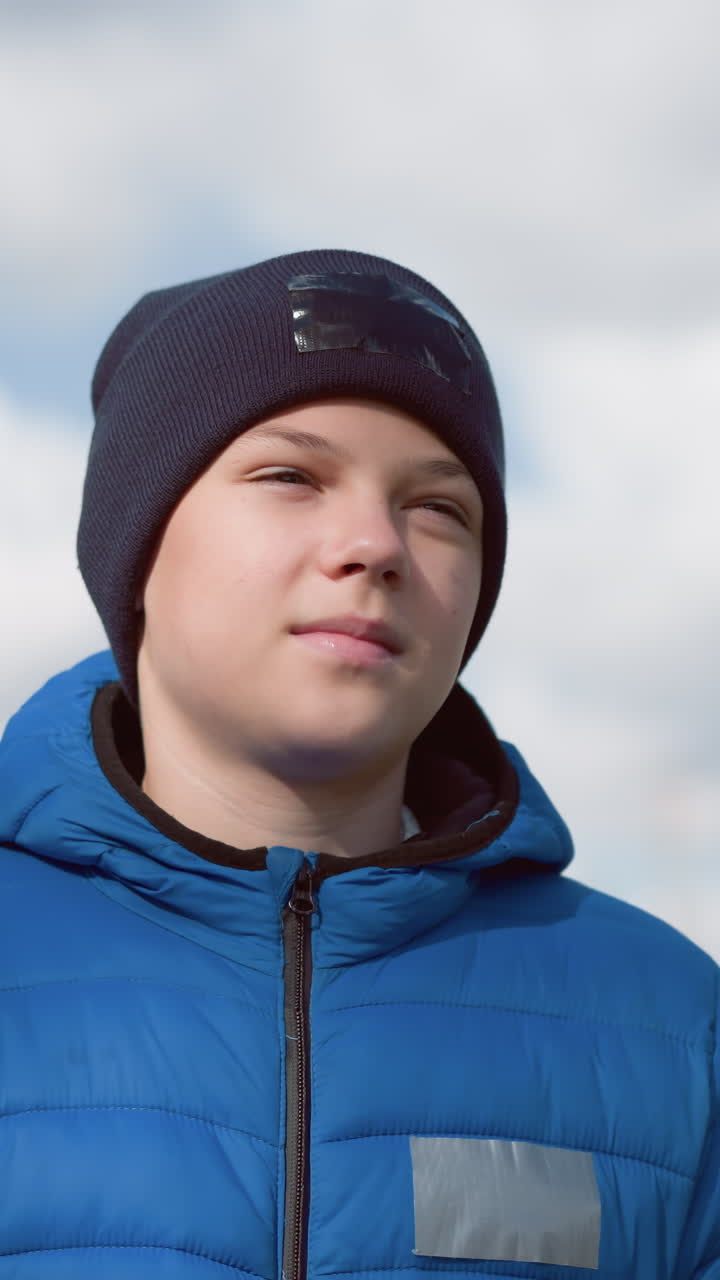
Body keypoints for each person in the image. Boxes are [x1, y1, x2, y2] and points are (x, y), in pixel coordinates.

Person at [0, 248, 716, 1279]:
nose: (375, 543)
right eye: (291, 475)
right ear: (138, 542)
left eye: (439, 508)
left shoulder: (675, 1028)